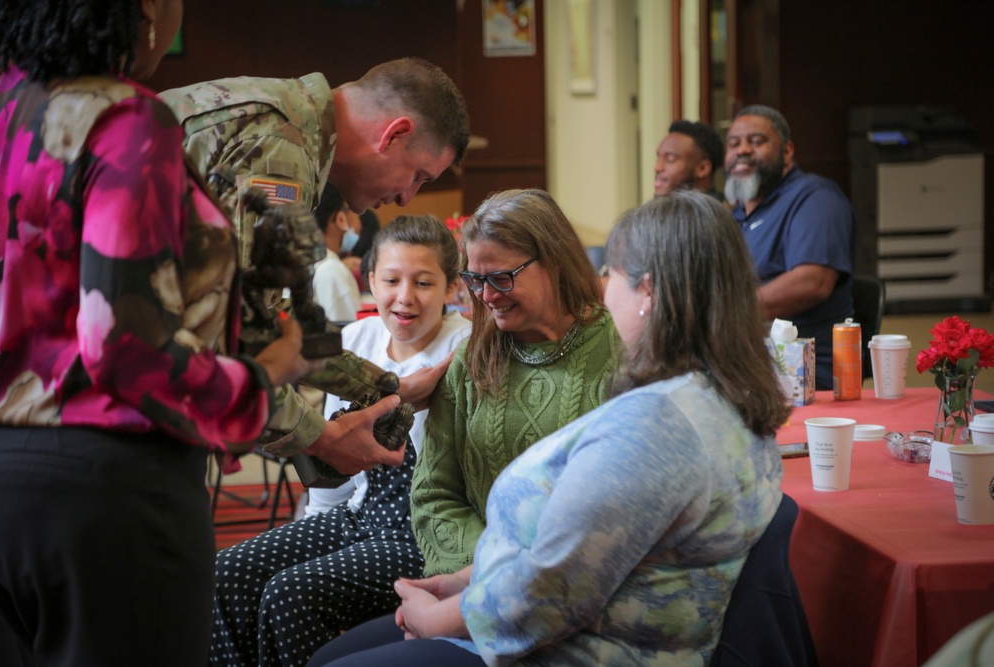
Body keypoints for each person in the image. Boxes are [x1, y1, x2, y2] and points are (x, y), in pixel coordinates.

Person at [0, 1, 349, 664]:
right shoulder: (123, 119)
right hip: (108, 489)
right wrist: (264, 374)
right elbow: (123, 343)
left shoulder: (1, 109)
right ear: (148, 10)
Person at [307, 190, 790, 667]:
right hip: (538, 615)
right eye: (476, 278)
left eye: (613, 272)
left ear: (649, 292)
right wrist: (465, 579)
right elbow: (560, 555)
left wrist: (435, 618)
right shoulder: (723, 394)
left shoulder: (655, 423)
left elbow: (550, 593)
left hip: (570, 647)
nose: (604, 287)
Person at [160, 58, 471, 482]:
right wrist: (321, 437)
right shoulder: (281, 152)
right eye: (418, 176)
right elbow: (241, 336)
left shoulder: (284, 119)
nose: (405, 198)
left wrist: (385, 387)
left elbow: (265, 324)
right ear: (394, 135)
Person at [209, 215, 471, 667]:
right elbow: (336, 465)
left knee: (290, 594)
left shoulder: (464, 347)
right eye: (390, 280)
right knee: (225, 573)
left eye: (424, 283)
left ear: (452, 289)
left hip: (423, 534)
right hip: (359, 516)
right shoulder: (358, 338)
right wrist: (315, 527)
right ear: (370, 280)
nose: (404, 297)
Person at [410, 188, 622, 578]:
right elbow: (433, 494)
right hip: (477, 579)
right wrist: (492, 568)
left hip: (581, 586)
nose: (487, 296)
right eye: (475, 279)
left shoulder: (620, 349)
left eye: (503, 278)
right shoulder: (471, 359)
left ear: (555, 262)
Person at [724, 104, 855, 390]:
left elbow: (813, 282)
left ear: (787, 150)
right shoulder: (735, 218)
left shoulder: (815, 198)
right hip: (745, 366)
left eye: (756, 141)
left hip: (801, 376)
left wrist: (725, 312)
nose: (742, 150)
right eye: (734, 143)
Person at [311, 182, 362, 323]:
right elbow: (349, 338)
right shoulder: (332, 270)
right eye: (353, 211)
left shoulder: (302, 261)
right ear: (340, 218)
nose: (360, 223)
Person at [654, 119, 725, 199]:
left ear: (703, 169)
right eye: (659, 158)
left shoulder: (717, 211)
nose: (657, 167)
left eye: (670, 159)